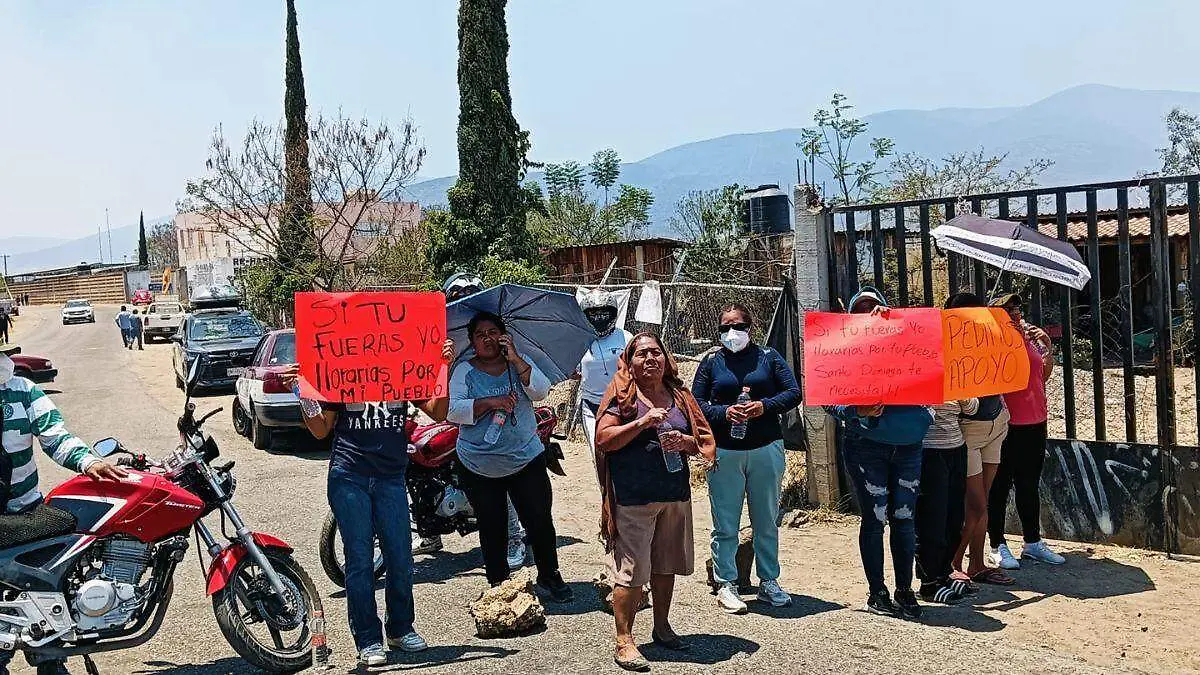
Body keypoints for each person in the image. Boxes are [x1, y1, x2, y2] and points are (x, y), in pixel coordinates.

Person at [284, 338, 455, 667]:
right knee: (360, 560)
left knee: (401, 556)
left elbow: (438, 411)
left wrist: (443, 366)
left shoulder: (403, 373)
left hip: (391, 478)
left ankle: (401, 629)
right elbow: (320, 429)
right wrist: (301, 391)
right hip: (349, 477)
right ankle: (368, 639)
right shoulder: (342, 373)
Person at [0, 351, 127, 675]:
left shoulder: (22, 390)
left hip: (26, 509)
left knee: (44, 587)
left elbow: (55, 437)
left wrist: (88, 461)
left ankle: (50, 659)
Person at [595, 333, 715, 671]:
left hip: (674, 493)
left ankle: (662, 627)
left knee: (665, 565)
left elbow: (700, 440)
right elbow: (604, 438)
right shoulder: (622, 395)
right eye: (642, 354)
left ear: (666, 358)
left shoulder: (679, 394)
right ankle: (624, 640)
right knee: (632, 571)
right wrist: (641, 422)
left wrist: (685, 441)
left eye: (656, 352)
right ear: (629, 362)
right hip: (634, 497)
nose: (650, 359)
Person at [447, 311, 572, 603]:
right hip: (479, 464)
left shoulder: (519, 362)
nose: (487, 339)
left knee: (539, 521)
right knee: (492, 526)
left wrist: (515, 359)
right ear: (472, 341)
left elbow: (540, 392)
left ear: (504, 336)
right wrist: (490, 402)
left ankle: (550, 577)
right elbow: (452, 411)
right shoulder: (464, 370)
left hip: (525, 459)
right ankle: (499, 585)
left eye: (493, 332)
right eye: (480, 335)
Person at [825, 287, 934, 620]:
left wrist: (894, 324)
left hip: (908, 446)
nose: (868, 314)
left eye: (874, 308)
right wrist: (855, 411)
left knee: (904, 518)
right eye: (860, 310)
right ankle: (877, 592)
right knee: (875, 519)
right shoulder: (840, 348)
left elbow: (933, 368)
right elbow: (826, 396)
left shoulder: (907, 342)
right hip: (865, 447)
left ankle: (905, 590)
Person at [691, 303, 801, 613]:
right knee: (725, 523)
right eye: (725, 327)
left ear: (750, 327)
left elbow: (793, 392)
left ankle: (769, 581)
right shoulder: (712, 361)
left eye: (738, 326)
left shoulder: (768, 357)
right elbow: (695, 403)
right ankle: (726, 583)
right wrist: (724, 412)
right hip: (725, 452)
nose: (732, 333)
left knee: (766, 520)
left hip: (766, 447)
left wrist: (764, 406)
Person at [428, 273, 528, 571]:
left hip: (494, 423)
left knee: (499, 480)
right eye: (457, 296)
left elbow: (534, 386)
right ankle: (431, 532)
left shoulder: (497, 337)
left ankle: (514, 537)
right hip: (446, 407)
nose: (464, 301)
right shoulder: (440, 334)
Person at [986, 293, 1065, 569]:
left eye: (1017, 307)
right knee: (999, 486)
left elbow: (1042, 376)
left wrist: (1047, 349)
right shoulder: (992, 341)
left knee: (1029, 484)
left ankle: (1032, 542)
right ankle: (997, 544)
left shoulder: (1028, 336)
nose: (1015, 313)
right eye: (1008, 309)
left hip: (1035, 421)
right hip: (1006, 423)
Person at [948, 292, 1014, 586]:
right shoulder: (947, 345)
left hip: (996, 423)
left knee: (982, 501)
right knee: (975, 504)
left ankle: (976, 564)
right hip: (969, 430)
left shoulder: (992, 337)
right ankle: (953, 563)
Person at [915, 396, 978, 606]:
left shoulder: (956, 380)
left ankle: (944, 573)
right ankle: (928, 583)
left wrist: (962, 395)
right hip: (929, 450)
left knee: (954, 518)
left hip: (956, 448)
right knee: (932, 520)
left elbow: (973, 408)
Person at [574, 288, 633, 455]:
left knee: (625, 450)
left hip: (622, 403)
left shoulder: (625, 337)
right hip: (592, 405)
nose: (599, 318)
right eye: (593, 314)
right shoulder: (578, 341)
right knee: (598, 452)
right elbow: (573, 370)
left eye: (603, 313)